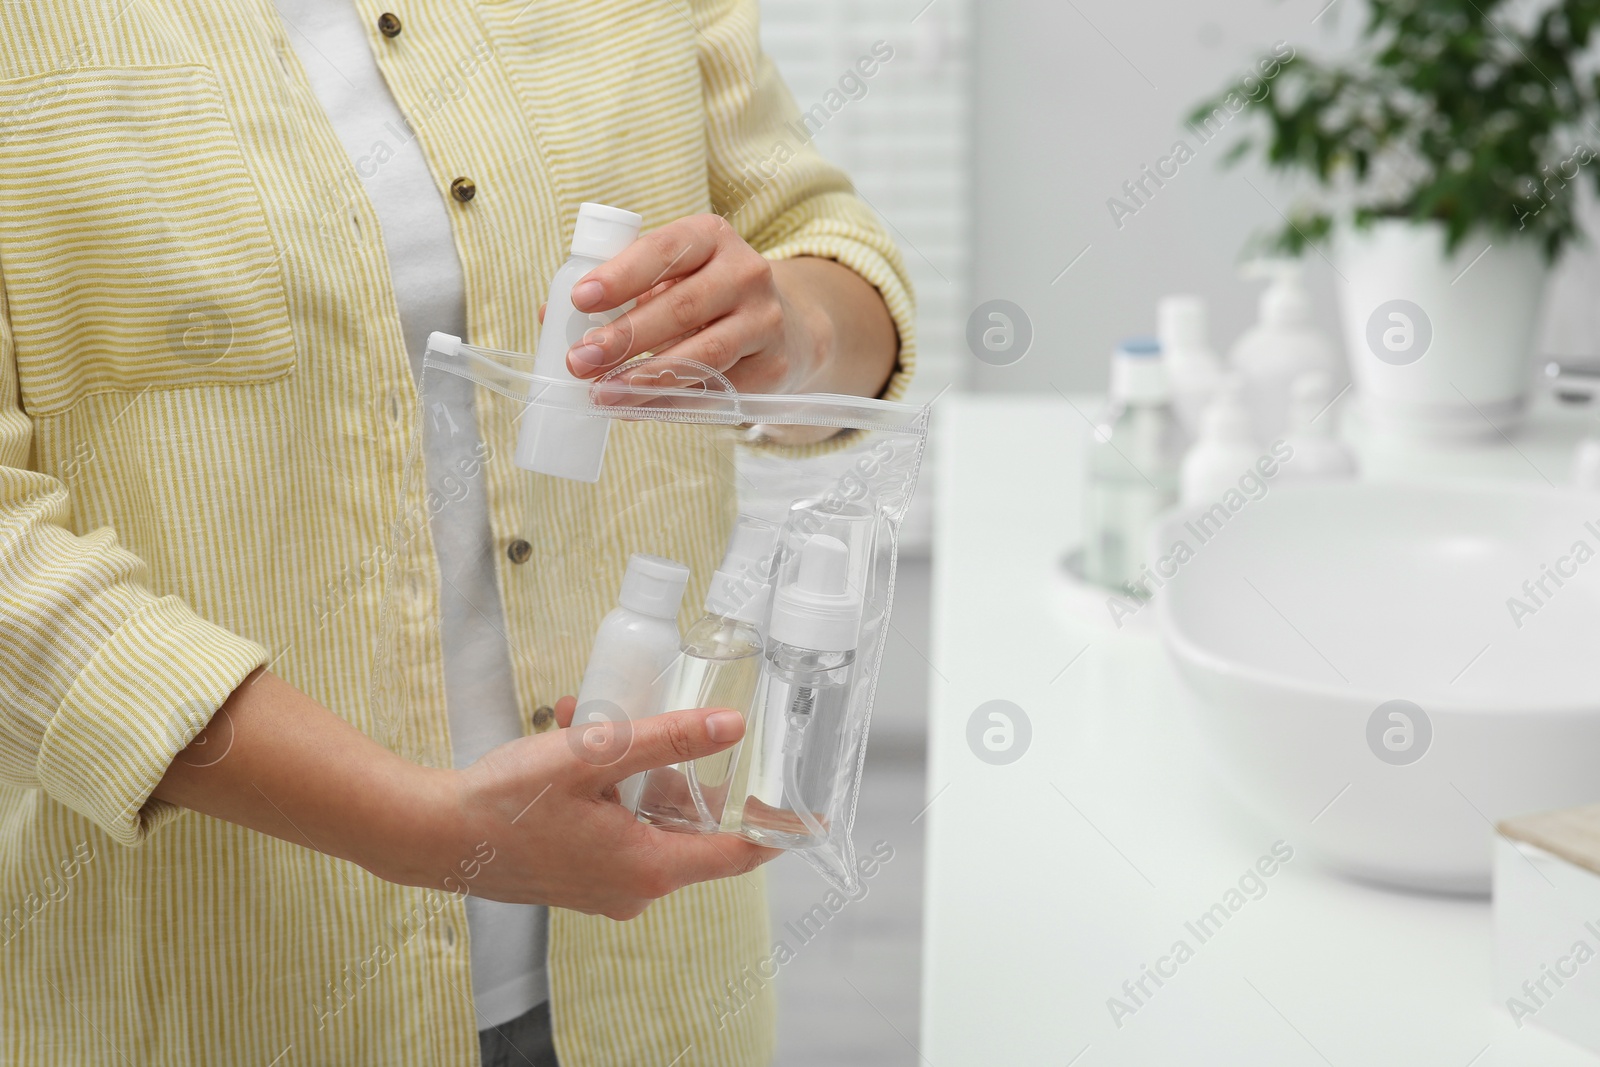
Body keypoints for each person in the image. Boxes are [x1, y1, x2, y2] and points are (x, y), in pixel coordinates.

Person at [0, 3, 913, 1065]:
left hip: (647, 980)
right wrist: (423, 826)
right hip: (220, 988)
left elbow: (824, 253)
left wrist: (787, 331)